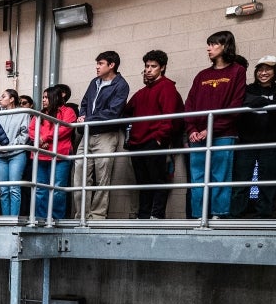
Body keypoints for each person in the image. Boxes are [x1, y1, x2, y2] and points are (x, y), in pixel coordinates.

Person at [183, 30, 246, 219]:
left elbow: (235, 105)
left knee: (220, 175)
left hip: (223, 134)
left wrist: (210, 129)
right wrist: (193, 129)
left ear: (225, 46)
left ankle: (218, 213)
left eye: (213, 44)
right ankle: (198, 214)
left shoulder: (237, 71)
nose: (208, 48)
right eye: (208, 44)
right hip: (198, 135)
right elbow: (190, 104)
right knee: (198, 177)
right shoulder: (202, 75)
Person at [124, 50, 184, 219]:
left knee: (157, 180)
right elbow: (125, 111)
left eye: (153, 66)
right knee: (143, 183)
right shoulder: (142, 92)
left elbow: (169, 116)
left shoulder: (167, 87)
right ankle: (144, 216)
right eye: (147, 66)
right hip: (137, 143)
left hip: (154, 141)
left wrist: (160, 138)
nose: (149, 69)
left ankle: (156, 215)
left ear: (162, 67)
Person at [231, 56, 276, 218]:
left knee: (267, 182)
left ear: (275, 72)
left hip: (270, 143)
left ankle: (264, 215)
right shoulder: (247, 89)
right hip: (246, 142)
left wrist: (259, 102)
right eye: (260, 70)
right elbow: (241, 103)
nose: (264, 73)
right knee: (241, 181)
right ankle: (236, 215)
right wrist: (265, 102)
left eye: (268, 69)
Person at [75, 51, 130, 220]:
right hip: (88, 133)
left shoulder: (121, 85)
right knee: (80, 173)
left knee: (102, 177)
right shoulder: (94, 82)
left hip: (106, 135)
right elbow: (84, 103)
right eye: (97, 63)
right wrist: (82, 115)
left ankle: (97, 215)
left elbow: (113, 112)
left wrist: (88, 119)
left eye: (101, 63)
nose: (97, 67)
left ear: (111, 65)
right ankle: (81, 214)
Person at [30, 86, 77, 223]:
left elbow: (65, 129)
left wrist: (45, 138)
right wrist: (39, 140)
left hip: (59, 155)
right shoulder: (39, 114)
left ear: (54, 97)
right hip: (41, 154)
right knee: (40, 189)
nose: (43, 100)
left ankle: (56, 220)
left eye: (46, 97)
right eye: (43, 97)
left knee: (57, 189)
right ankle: (41, 219)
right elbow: (32, 129)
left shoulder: (68, 112)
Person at [0, 89, 30, 217]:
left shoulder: (23, 114)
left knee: (14, 189)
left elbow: (25, 134)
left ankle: (13, 219)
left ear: (12, 99)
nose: (0, 99)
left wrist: (10, 146)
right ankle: (5, 220)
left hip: (17, 155)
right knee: (3, 190)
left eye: (3, 96)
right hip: (0, 156)